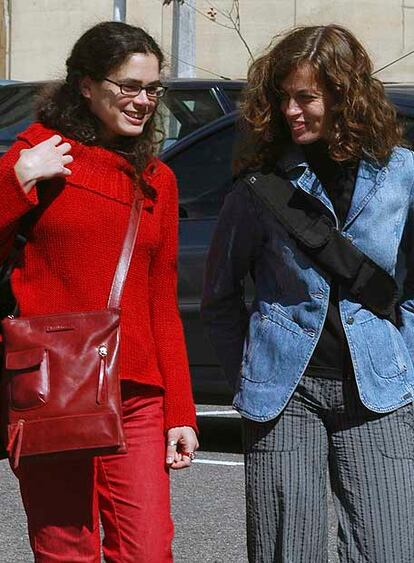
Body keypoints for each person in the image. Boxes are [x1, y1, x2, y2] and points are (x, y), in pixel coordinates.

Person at [201, 24, 414, 563]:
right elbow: (221, 299)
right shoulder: (262, 184)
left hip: (380, 388)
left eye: (306, 97)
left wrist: (405, 359)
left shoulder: (402, 174)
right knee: (283, 551)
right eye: (283, 98)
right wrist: (250, 373)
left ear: (345, 94)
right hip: (284, 392)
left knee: (387, 548)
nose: (292, 110)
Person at [0, 21, 198, 563]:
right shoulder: (39, 151)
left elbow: (162, 301)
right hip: (52, 385)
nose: (143, 101)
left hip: (136, 392)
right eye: (128, 87)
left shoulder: (158, 177)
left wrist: (180, 409)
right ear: (85, 85)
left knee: (148, 550)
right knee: (66, 549)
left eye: (153, 89)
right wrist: (17, 179)